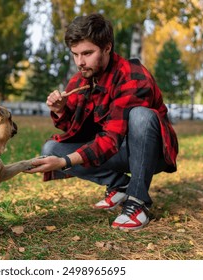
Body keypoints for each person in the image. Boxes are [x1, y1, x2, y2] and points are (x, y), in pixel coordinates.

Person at [26, 13, 178, 230]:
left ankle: (137, 201)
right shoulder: (81, 79)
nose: (80, 62)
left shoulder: (132, 76)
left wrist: (64, 163)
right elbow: (76, 131)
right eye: (75, 54)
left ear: (107, 48)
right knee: (51, 148)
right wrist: (61, 111)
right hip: (115, 153)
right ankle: (121, 185)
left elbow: (112, 139)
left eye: (87, 53)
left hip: (151, 151)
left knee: (141, 116)